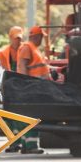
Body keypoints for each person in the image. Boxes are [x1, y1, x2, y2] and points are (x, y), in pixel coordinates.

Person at [16, 25, 52, 154]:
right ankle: (31, 146)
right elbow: (22, 66)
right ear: (36, 36)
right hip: (32, 87)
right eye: (41, 36)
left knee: (31, 116)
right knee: (32, 116)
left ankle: (27, 145)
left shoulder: (34, 49)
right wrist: (26, 84)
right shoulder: (27, 47)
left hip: (37, 87)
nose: (42, 39)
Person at [0, 26, 26, 152]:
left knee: (23, 115)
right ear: (10, 38)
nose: (18, 41)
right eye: (15, 38)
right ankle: (14, 142)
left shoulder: (26, 49)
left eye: (19, 38)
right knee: (9, 116)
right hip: (10, 86)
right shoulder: (4, 53)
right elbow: (5, 70)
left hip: (24, 86)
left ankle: (23, 142)